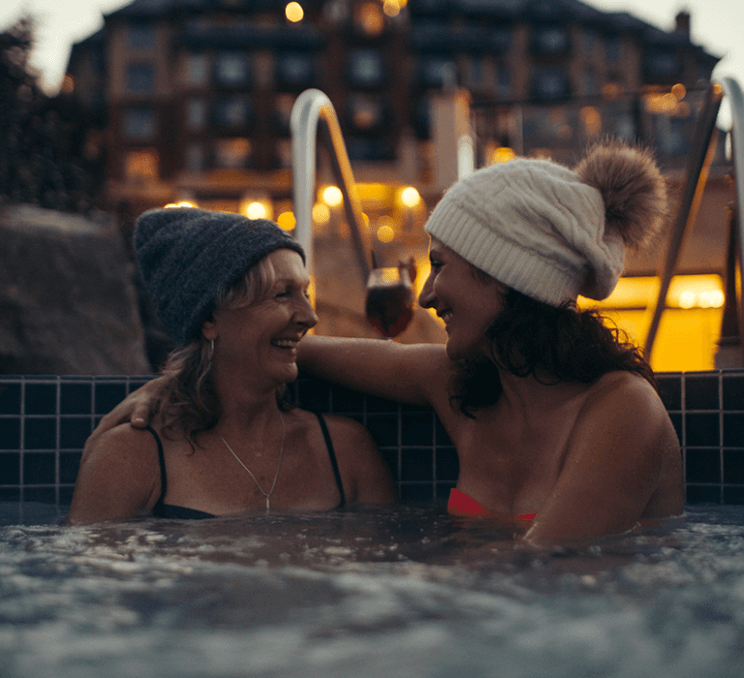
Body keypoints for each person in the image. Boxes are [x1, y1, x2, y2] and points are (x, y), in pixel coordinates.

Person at [88, 142, 683, 541]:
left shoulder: (623, 409)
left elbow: (545, 574)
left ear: (507, 275)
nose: (426, 296)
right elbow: (290, 348)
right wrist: (181, 374)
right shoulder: (460, 387)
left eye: (442, 266)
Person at [64, 208, 396, 524]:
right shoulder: (130, 458)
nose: (310, 317)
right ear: (209, 318)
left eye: (305, 293)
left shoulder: (346, 452)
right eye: (282, 294)